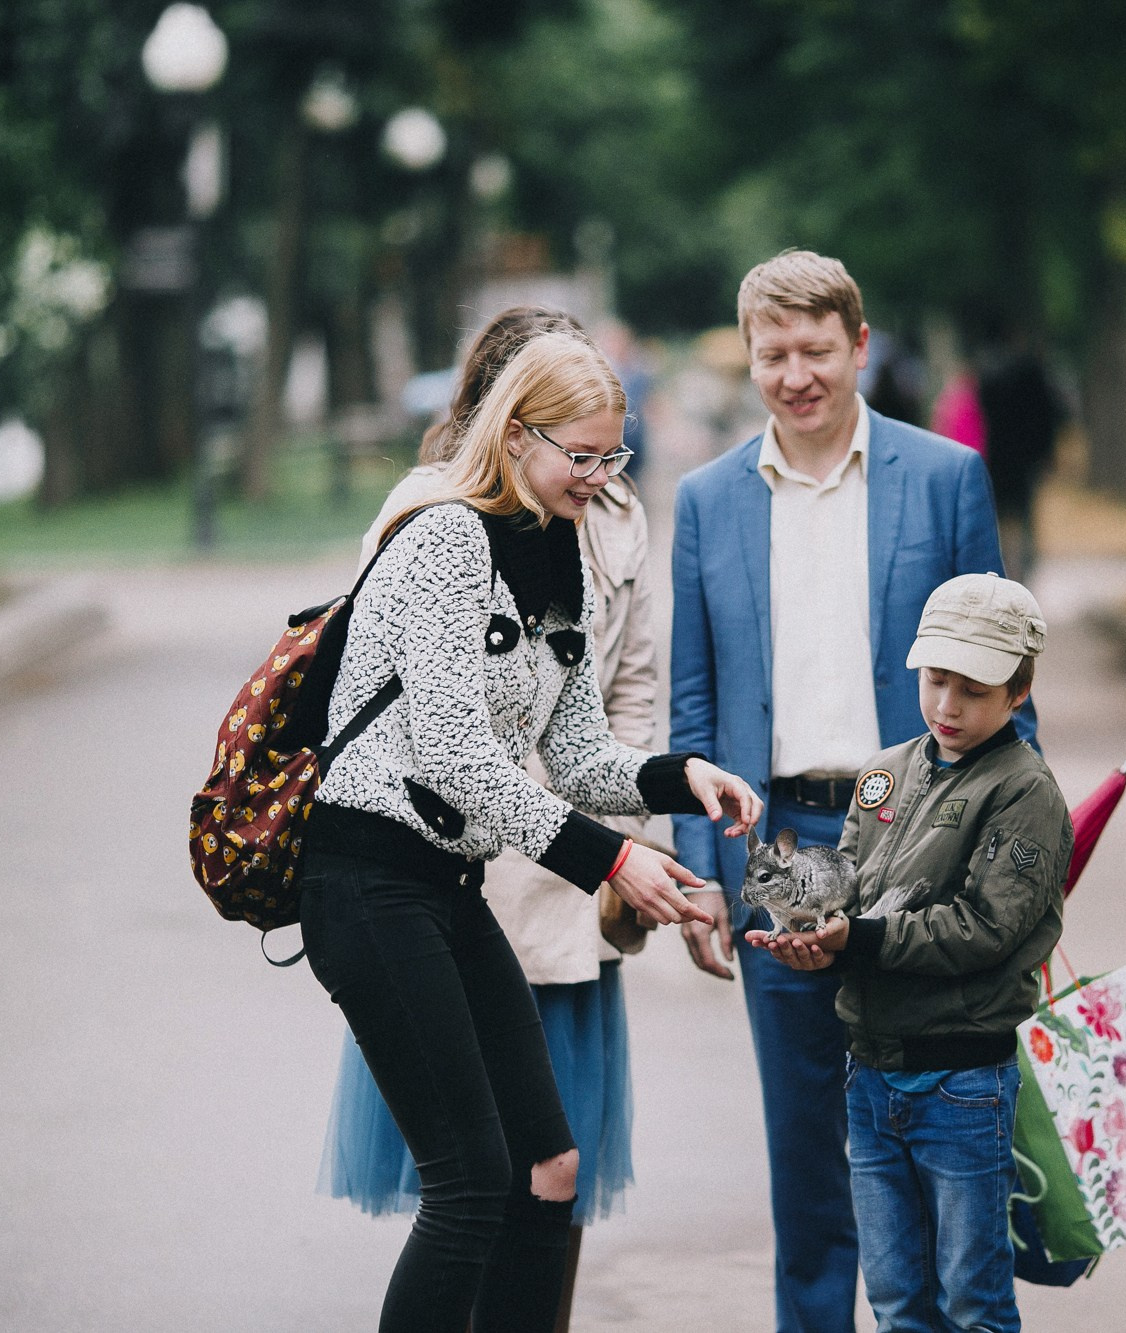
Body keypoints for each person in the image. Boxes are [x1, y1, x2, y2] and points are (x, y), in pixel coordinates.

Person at [300, 327, 761, 1333]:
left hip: (445, 886)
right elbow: (463, 762)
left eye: (614, 456)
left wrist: (686, 778)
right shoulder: (442, 538)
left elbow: (585, 757)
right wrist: (615, 859)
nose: (598, 478)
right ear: (515, 437)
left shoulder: (559, 548)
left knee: (550, 1165)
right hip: (366, 880)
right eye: (580, 456)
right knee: (469, 1182)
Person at [670, 249, 1031, 1333]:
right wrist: (703, 875)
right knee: (809, 1163)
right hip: (776, 848)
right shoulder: (703, 502)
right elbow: (691, 713)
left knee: (933, 1149)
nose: (794, 375)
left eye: (815, 350)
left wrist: (1021, 874)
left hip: (925, 839)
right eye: (771, 354)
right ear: (749, 358)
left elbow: (1008, 678)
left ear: (858, 347)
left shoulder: (942, 477)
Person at [751, 573, 1070, 1333]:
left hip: (962, 1082)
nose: (948, 707)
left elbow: (983, 927)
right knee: (896, 1300)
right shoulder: (884, 772)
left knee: (972, 1300)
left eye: (974, 689)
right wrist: (816, 939)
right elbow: (853, 890)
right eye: (936, 681)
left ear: (1019, 691)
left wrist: (859, 938)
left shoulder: (1024, 792)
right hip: (870, 1073)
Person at [976, 329, 1066, 580]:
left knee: (1000, 515)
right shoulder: (1032, 373)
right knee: (1025, 512)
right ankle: (1024, 568)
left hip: (998, 455)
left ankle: (1003, 566)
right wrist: (1046, 452)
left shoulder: (989, 376)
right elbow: (1048, 414)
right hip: (1025, 458)